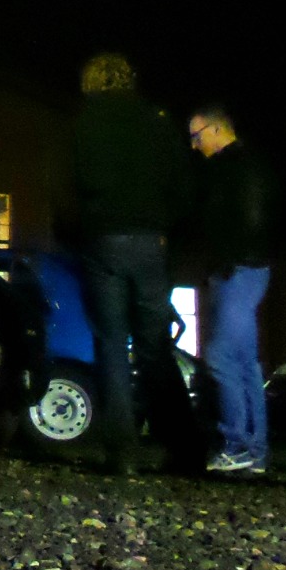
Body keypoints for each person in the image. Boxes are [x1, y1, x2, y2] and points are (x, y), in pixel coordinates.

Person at [71, 52, 198, 475]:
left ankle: (122, 452)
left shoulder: (85, 123)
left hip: (103, 240)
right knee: (154, 345)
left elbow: (74, 184)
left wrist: (78, 231)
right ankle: (181, 447)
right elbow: (182, 186)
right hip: (150, 241)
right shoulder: (156, 122)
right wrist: (165, 228)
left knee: (110, 344)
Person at [188, 104, 276, 475]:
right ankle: (254, 449)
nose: (194, 145)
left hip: (239, 269)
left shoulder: (237, 168)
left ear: (216, 129)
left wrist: (228, 258)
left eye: (197, 136)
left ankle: (238, 443)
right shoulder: (246, 165)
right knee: (243, 361)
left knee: (222, 356)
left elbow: (245, 219)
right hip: (243, 268)